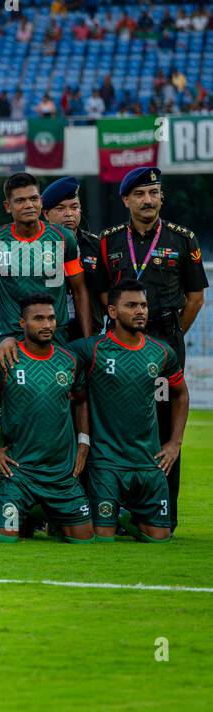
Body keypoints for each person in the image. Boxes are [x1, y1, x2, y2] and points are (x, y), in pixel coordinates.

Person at [92, 167, 205, 528]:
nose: (148, 200)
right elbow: (100, 294)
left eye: (154, 193)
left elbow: (196, 298)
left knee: (162, 423)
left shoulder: (183, 239)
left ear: (161, 197)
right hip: (119, 345)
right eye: (140, 194)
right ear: (125, 199)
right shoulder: (108, 241)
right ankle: (115, 509)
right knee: (116, 422)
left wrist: (168, 340)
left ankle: (161, 513)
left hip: (163, 341)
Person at [67, 281, 188, 541]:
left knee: (159, 537)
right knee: (102, 537)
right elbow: (49, 355)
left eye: (143, 305)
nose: (140, 311)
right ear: (112, 311)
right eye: (131, 305)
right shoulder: (91, 349)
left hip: (148, 462)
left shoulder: (161, 352)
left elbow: (181, 394)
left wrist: (174, 443)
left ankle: (130, 518)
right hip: (107, 463)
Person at [0, 294, 93, 543]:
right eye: (38, 319)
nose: (47, 325)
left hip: (61, 475)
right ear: (22, 323)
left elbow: (81, 401)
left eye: (51, 318)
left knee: (84, 540)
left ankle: (38, 511)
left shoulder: (69, 361)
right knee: (3, 539)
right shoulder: (4, 360)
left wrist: (83, 443)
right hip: (19, 474)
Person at [0, 171, 92, 347]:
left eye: (33, 198)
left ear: (41, 201)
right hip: (11, 337)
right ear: (8, 206)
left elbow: (79, 291)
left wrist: (87, 341)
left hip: (55, 335)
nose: (29, 205)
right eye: (20, 201)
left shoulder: (64, 238)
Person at [40, 175, 102, 338]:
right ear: (46, 214)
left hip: (90, 333)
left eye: (74, 207)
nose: (69, 214)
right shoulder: (35, 247)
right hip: (49, 334)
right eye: (60, 209)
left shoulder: (97, 246)